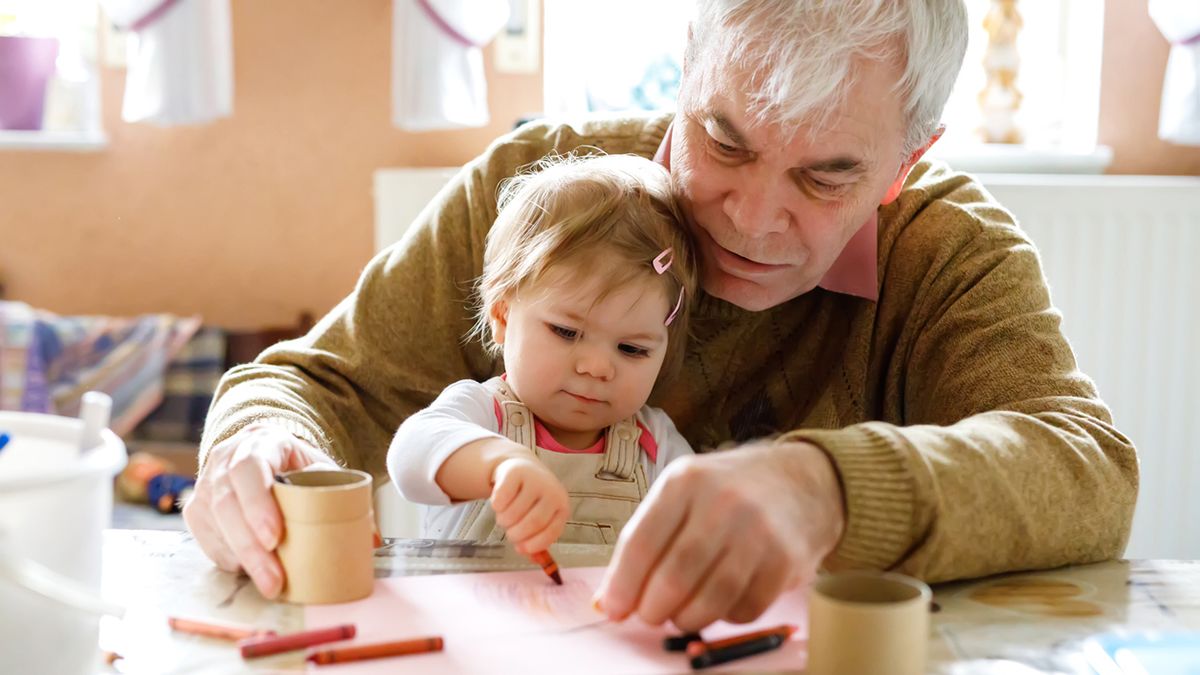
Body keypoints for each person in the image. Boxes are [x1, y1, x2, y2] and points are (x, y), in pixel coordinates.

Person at [185, 0, 1138, 633]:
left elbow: (1087, 471)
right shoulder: (548, 196)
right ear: (688, 67)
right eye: (724, 138)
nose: (753, 218)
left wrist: (827, 488)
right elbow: (313, 381)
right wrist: (259, 442)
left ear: (906, 163)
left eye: (827, 174)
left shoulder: (948, 253)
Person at [386, 154, 698, 555]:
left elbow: (705, 522)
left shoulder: (653, 444)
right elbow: (409, 457)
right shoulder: (483, 413)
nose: (597, 367)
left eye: (632, 349)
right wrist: (498, 464)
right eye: (566, 332)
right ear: (502, 315)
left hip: (602, 617)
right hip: (479, 616)